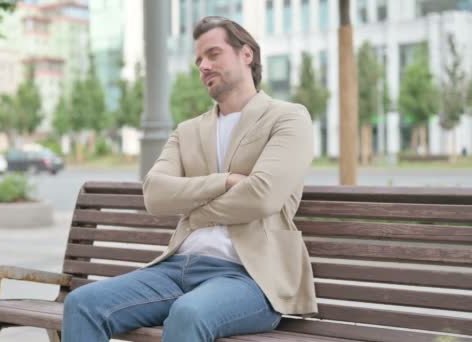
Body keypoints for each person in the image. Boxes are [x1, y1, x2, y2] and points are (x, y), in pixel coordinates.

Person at [62, 16, 317, 342]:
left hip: (250, 278)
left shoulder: (288, 117)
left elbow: (263, 196)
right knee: (83, 303)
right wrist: (222, 182)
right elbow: (155, 194)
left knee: (188, 313)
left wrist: (195, 213)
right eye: (199, 60)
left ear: (247, 54)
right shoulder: (188, 131)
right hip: (176, 268)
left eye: (213, 54)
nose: (204, 66)